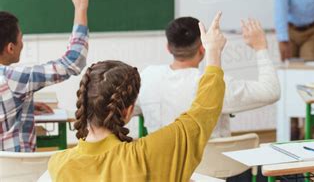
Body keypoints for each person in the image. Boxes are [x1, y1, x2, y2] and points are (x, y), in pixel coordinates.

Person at [48, 12, 227, 182]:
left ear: (83, 105)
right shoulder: (150, 154)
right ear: (128, 111)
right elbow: (203, 112)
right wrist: (213, 51)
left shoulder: (59, 164)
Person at [138, 17, 280, 138]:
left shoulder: (147, 77)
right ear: (202, 48)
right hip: (214, 169)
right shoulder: (214, 84)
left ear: (168, 48)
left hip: (163, 167)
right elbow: (270, 91)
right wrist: (260, 47)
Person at [0, 0, 89, 152]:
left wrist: (26, 105)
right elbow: (73, 62)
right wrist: (80, 9)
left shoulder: (16, 87)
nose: (23, 44)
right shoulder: (15, 79)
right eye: (21, 38)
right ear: (10, 48)